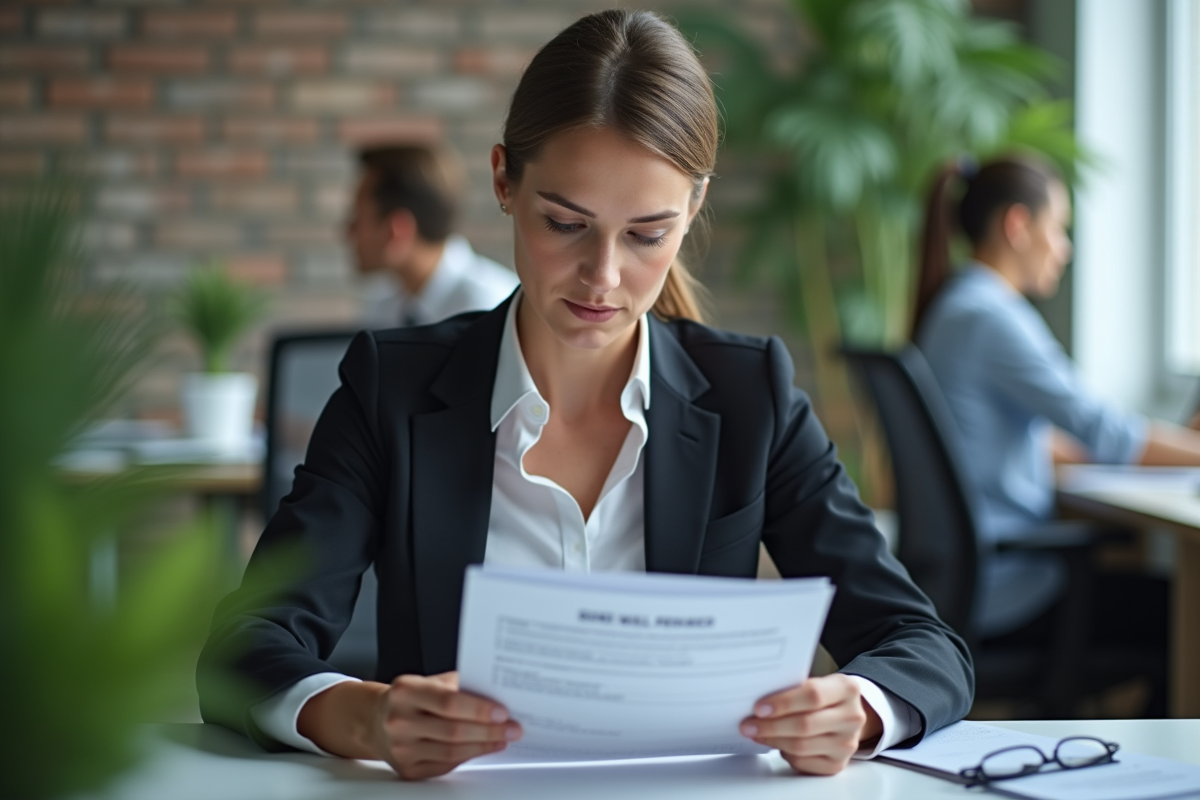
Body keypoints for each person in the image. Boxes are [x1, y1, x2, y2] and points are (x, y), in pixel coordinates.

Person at [198, 9, 972, 781]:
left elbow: (924, 645)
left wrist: (860, 707)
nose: (603, 277)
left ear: (692, 210)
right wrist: (367, 717)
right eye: (565, 224)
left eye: (646, 235)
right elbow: (245, 648)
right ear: (504, 180)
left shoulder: (749, 397)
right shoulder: (390, 389)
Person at [912, 156, 1200, 694]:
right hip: (1007, 588)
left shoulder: (955, 307)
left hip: (966, 582)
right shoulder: (992, 317)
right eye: (1059, 228)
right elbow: (1108, 433)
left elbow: (1033, 438)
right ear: (1018, 226)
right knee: (1180, 615)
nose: (1064, 248)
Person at [348, 143, 519, 328]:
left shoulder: (489, 308)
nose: (348, 232)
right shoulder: (384, 307)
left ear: (395, 232)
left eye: (358, 217)